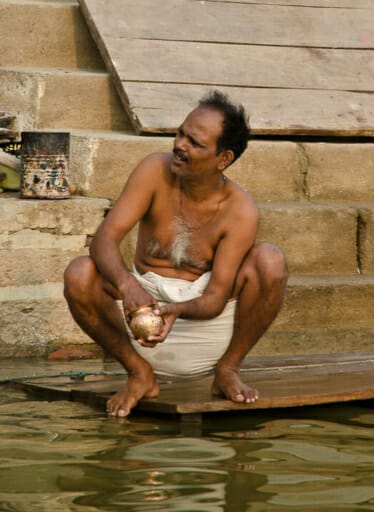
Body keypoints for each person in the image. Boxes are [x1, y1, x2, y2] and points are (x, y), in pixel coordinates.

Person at [63, 90, 288, 417]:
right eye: (181, 133)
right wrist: (128, 286)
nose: (180, 145)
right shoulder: (155, 169)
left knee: (270, 260)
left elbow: (214, 299)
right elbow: (103, 239)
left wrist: (175, 310)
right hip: (138, 317)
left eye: (195, 143)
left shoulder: (241, 210)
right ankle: (139, 374)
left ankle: (227, 371)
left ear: (223, 158)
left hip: (203, 324)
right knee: (79, 273)